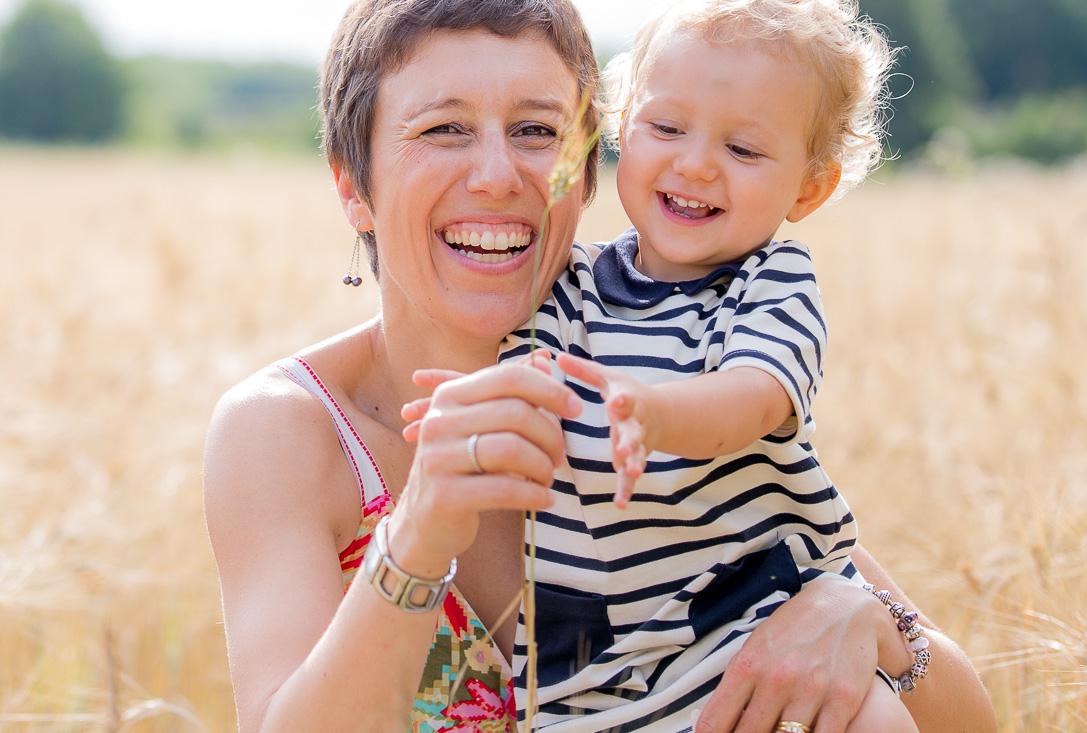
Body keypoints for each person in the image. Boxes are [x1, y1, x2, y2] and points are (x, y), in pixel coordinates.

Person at [202, 0, 997, 731]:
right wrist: (417, 533)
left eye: (536, 131)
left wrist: (867, 622)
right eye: (444, 129)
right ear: (354, 186)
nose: (497, 175)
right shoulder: (289, 431)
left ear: (586, 173)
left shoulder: (669, 362)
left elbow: (970, 720)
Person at [490, 0, 930, 729]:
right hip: (587, 675)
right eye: (666, 128)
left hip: (760, 630)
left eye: (744, 149)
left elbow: (753, 395)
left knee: (876, 722)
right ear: (621, 128)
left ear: (809, 187)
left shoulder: (773, 283)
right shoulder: (565, 284)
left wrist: (656, 413)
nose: (694, 163)